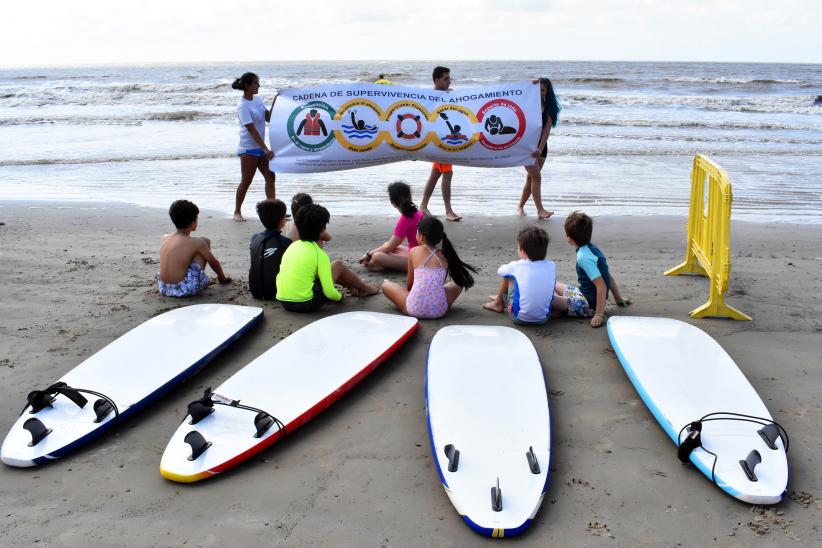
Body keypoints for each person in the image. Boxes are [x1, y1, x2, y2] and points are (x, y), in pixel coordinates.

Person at [276, 203, 379, 312]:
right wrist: (339, 297)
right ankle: (366, 289)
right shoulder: (319, 254)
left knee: (321, 271)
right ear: (322, 230)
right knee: (338, 265)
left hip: (284, 301)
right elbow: (329, 291)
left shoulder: (292, 246)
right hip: (307, 303)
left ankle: (353, 287)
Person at [382, 216, 476, 319]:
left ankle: (419, 301)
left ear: (421, 236)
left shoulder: (414, 251)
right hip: (439, 311)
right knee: (458, 283)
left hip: (413, 309)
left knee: (386, 285)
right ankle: (434, 303)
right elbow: (440, 285)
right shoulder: (445, 255)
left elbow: (409, 285)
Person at [482, 226, 572, 324]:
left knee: (509, 276)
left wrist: (513, 263)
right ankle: (543, 311)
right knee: (543, 285)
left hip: (518, 317)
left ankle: (497, 303)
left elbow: (500, 271)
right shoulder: (551, 265)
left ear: (523, 251)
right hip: (544, 318)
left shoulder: (516, 266)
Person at [564, 211, 631, 328]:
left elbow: (601, 285)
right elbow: (607, 276)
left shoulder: (583, 257)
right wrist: (618, 298)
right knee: (555, 285)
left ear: (569, 238)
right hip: (584, 295)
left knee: (551, 301)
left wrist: (599, 314)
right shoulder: (593, 249)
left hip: (588, 304)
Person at [157, 200, 231, 297]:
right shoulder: (196, 242)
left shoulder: (165, 237)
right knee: (205, 241)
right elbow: (213, 262)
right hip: (184, 289)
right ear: (193, 223)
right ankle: (199, 282)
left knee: (186, 254)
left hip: (164, 287)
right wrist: (222, 278)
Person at [232, 72, 276, 222]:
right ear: (247, 85)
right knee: (247, 180)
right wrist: (265, 149)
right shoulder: (242, 106)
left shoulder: (258, 100)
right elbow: (251, 130)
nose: (259, 86)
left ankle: (273, 210)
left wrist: (277, 100)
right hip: (248, 148)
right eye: (256, 83)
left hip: (260, 147)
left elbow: (268, 118)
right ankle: (237, 211)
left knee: (270, 176)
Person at [420, 66, 462, 222]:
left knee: (436, 173)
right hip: (438, 142)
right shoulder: (429, 97)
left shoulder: (448, 95)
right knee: (447, 173)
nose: (449, 82)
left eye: (449, 79)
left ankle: (423, 206)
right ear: (436, 80)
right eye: (446, 79)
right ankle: (448, 211)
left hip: (447, 140)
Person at [516, 78, 561, 219]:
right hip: (527, 146)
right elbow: (516, 94)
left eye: (543, 90)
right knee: (536, 177)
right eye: (538, 90)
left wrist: (540, 149)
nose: (540, 93)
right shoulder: (527, 104)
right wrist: (530, 84)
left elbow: (546, 131)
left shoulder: (549, 109)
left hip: (541, 147)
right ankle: (540, 210)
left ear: (547, 92)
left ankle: (520, 206)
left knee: (531, 178)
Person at [359, 182, 425, 273]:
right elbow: (392, 245)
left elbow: (389, 247)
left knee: (376, 256)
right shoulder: (417, 212)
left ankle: (387, 267)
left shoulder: (405, 219)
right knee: (394, 248)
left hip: (419, 261)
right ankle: (387, 266)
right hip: (421, 254)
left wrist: (369, 254)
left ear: (392, 202)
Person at [249, 199, 292, 300]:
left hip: (254, 290)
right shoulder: (286, 243)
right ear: (282, 222)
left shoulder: (254, 238)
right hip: (276, 291)